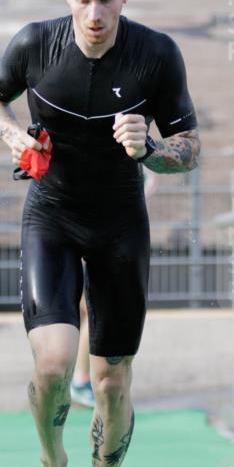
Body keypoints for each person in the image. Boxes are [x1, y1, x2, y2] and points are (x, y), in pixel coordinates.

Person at [0, 0, 200, 467]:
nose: (94, 14)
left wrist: (150, 148)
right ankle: (53, 462)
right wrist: (14, 136)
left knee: (112, 381)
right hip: (51, 214)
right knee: (51, 364)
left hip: (121, 224)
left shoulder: (156, 55)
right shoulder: (34, 44)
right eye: (82, 0)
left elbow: (191, 149)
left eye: (105, 0)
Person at [70, 170, 158, 409]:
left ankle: (80, 378)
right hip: (88, 229)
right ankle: (80, 380)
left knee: (89, 310)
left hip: (102, 228)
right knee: (90, 309)